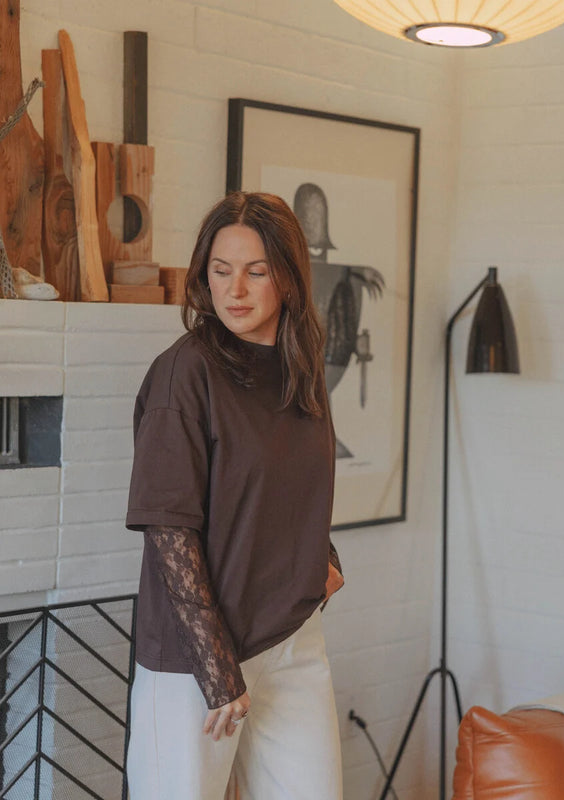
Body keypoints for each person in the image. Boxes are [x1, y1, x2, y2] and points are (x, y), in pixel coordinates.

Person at [125, 191, 345, 800]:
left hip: (291, 639)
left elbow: (287, 486)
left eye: (256, 271)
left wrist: (323, 559)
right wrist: (217, 667)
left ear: (288, 279)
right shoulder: (184, 372)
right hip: (196, 658)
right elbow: (169, 526)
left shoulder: (301, 369)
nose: (235, 290)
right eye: (221, 271)